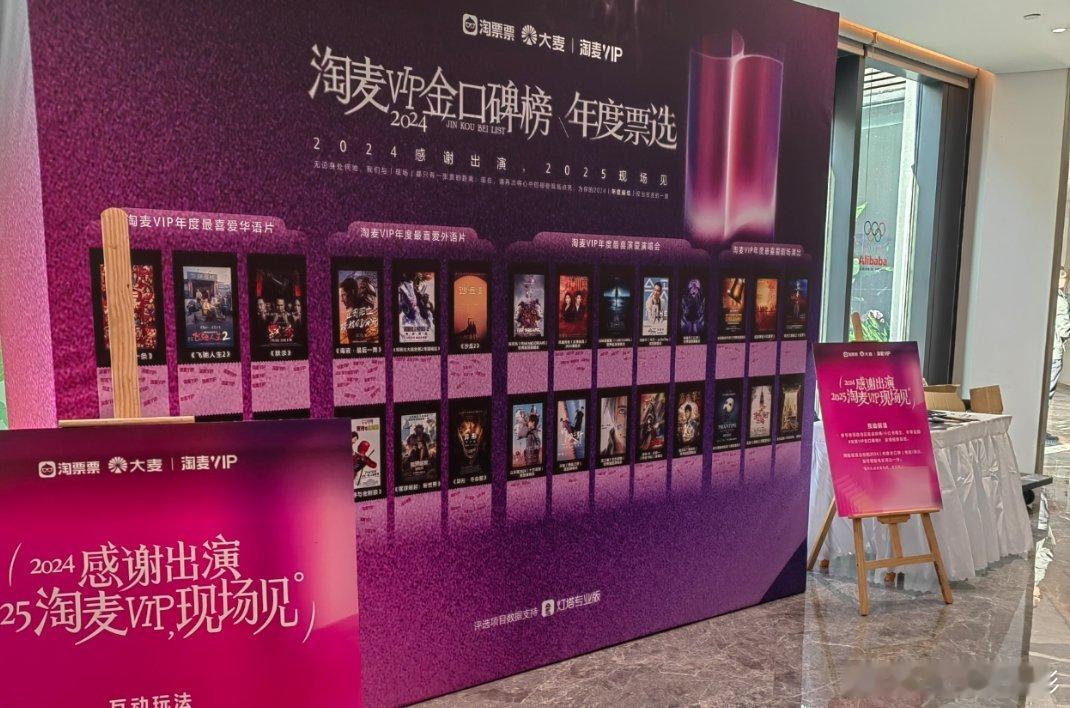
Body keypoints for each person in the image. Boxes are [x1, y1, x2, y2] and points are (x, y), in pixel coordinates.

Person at [1048, 267, 1070, 444]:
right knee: (1048, 393)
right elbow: (1064, 330)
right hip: (1055, 352)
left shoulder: (1047, 295)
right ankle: (1042, 432)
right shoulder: (1061, 301)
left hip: (1048, 350)